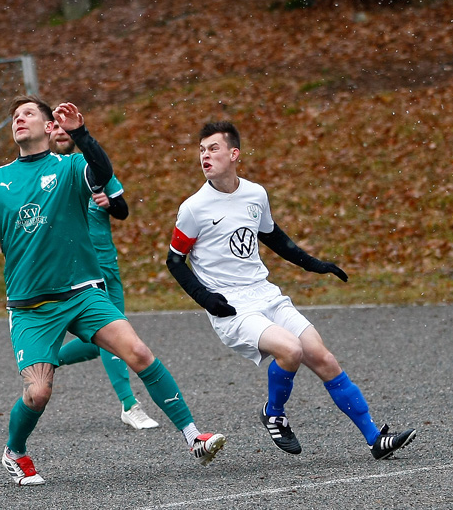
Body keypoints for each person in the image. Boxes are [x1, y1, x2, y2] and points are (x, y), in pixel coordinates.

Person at [0, 96, 225, 487]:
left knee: (138, 352)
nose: (19, 120)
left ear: (46, 126)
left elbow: (104, 172)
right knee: (38, 393)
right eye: (14, 116)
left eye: (28, 114)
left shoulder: (71, 166)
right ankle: (15, 451)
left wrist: (81, 134)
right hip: (31, 306)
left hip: (83, 292)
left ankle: (194, 436)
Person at [166, 121, 416, 460]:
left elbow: (274, 237)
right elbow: (175, 261)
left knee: (324, 358)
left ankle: (374, 438)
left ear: (234, 153)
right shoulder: (194, 208)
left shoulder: (255, 194)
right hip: (232, 307)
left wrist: (314, 264)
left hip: (265, 295)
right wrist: (207, 299)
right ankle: (273, 413)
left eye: (213, 149)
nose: (205, 156)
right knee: (290, 350)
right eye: (201, 151)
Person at [49, 120, 159, 430]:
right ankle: (129, 404)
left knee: (108, 338)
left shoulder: (93, 166)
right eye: (54, 126)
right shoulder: (41, 174)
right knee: (115, 335)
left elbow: (123, 210)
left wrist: (109, 203)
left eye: (65, 127)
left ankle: (47, 360)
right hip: (71, 270)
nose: (60, 131)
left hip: (105, 266)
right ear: (47, 132)